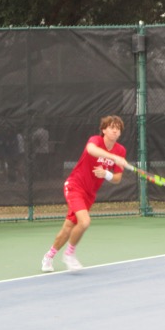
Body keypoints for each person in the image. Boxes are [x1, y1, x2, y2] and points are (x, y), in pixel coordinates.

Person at [41, 115, 129, 272]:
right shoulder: (95, 141)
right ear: (104, 130)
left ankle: (49, 256)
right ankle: (69, 254)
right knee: (85, 221)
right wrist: (113, 157)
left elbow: (117, 178)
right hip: (75, 186)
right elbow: (91, 150)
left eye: (118, 129)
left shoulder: (120, 150)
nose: (115, 131)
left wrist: (106, 174)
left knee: (68, 227)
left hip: (89, 194)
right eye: (111, 127)